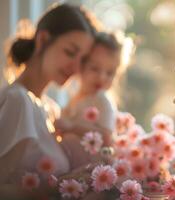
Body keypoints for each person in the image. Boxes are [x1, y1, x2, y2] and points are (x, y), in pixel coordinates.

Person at [0, 3, 95, 198]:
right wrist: (59, 186)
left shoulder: (51, 109)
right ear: (43, 40)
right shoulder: (18, 101)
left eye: (83, 59)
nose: (76, 68)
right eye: (70, 52)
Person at [56, 32, 122, 168]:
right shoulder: (75, 100)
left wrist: (72, 127)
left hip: (96, 170)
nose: (102, 77)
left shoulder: (102, 100)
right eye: (94, 69)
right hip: (76, 170)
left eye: (110, 73)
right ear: (81, 67)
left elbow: (106, 136)